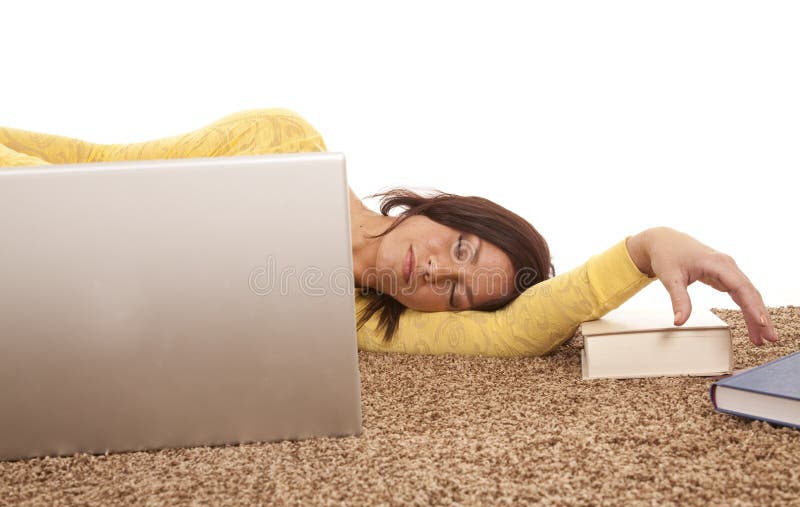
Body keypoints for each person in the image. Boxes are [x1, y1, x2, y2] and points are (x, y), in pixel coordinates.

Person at [0, 109, 779, 357]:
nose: (433, 271)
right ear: (444, 211)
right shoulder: (281, 141)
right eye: (461, 249)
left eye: (453, 292)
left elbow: (521, 332)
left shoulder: (368, 327)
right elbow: (95, 166)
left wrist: (644, 248)